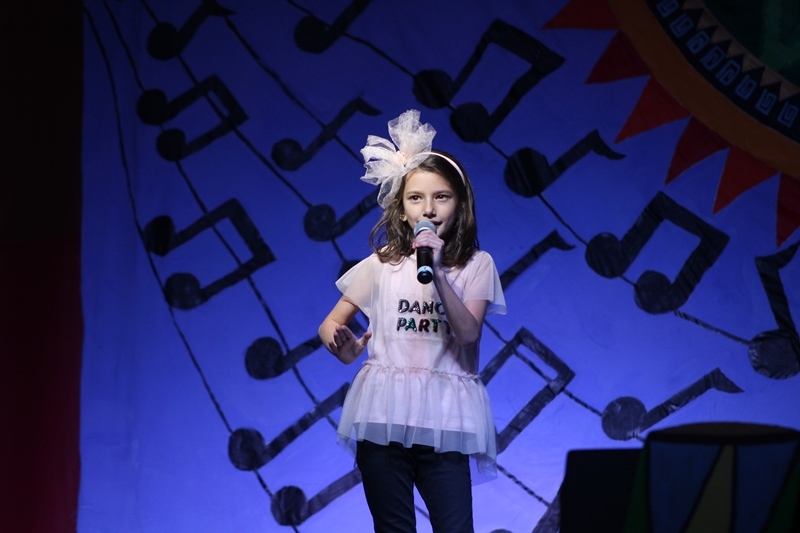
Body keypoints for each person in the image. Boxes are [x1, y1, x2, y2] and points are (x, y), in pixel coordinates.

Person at [318, 110, 506, 533]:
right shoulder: (382, 264)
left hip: (445, 419)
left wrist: (437, 272)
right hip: (383, 415)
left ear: (460, 205)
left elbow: (468, 333)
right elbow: (331, 323)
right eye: (416, 198)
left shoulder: (477, 264)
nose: (429, 209)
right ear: (401, 210)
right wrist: (342, 348)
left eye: (442, 197)